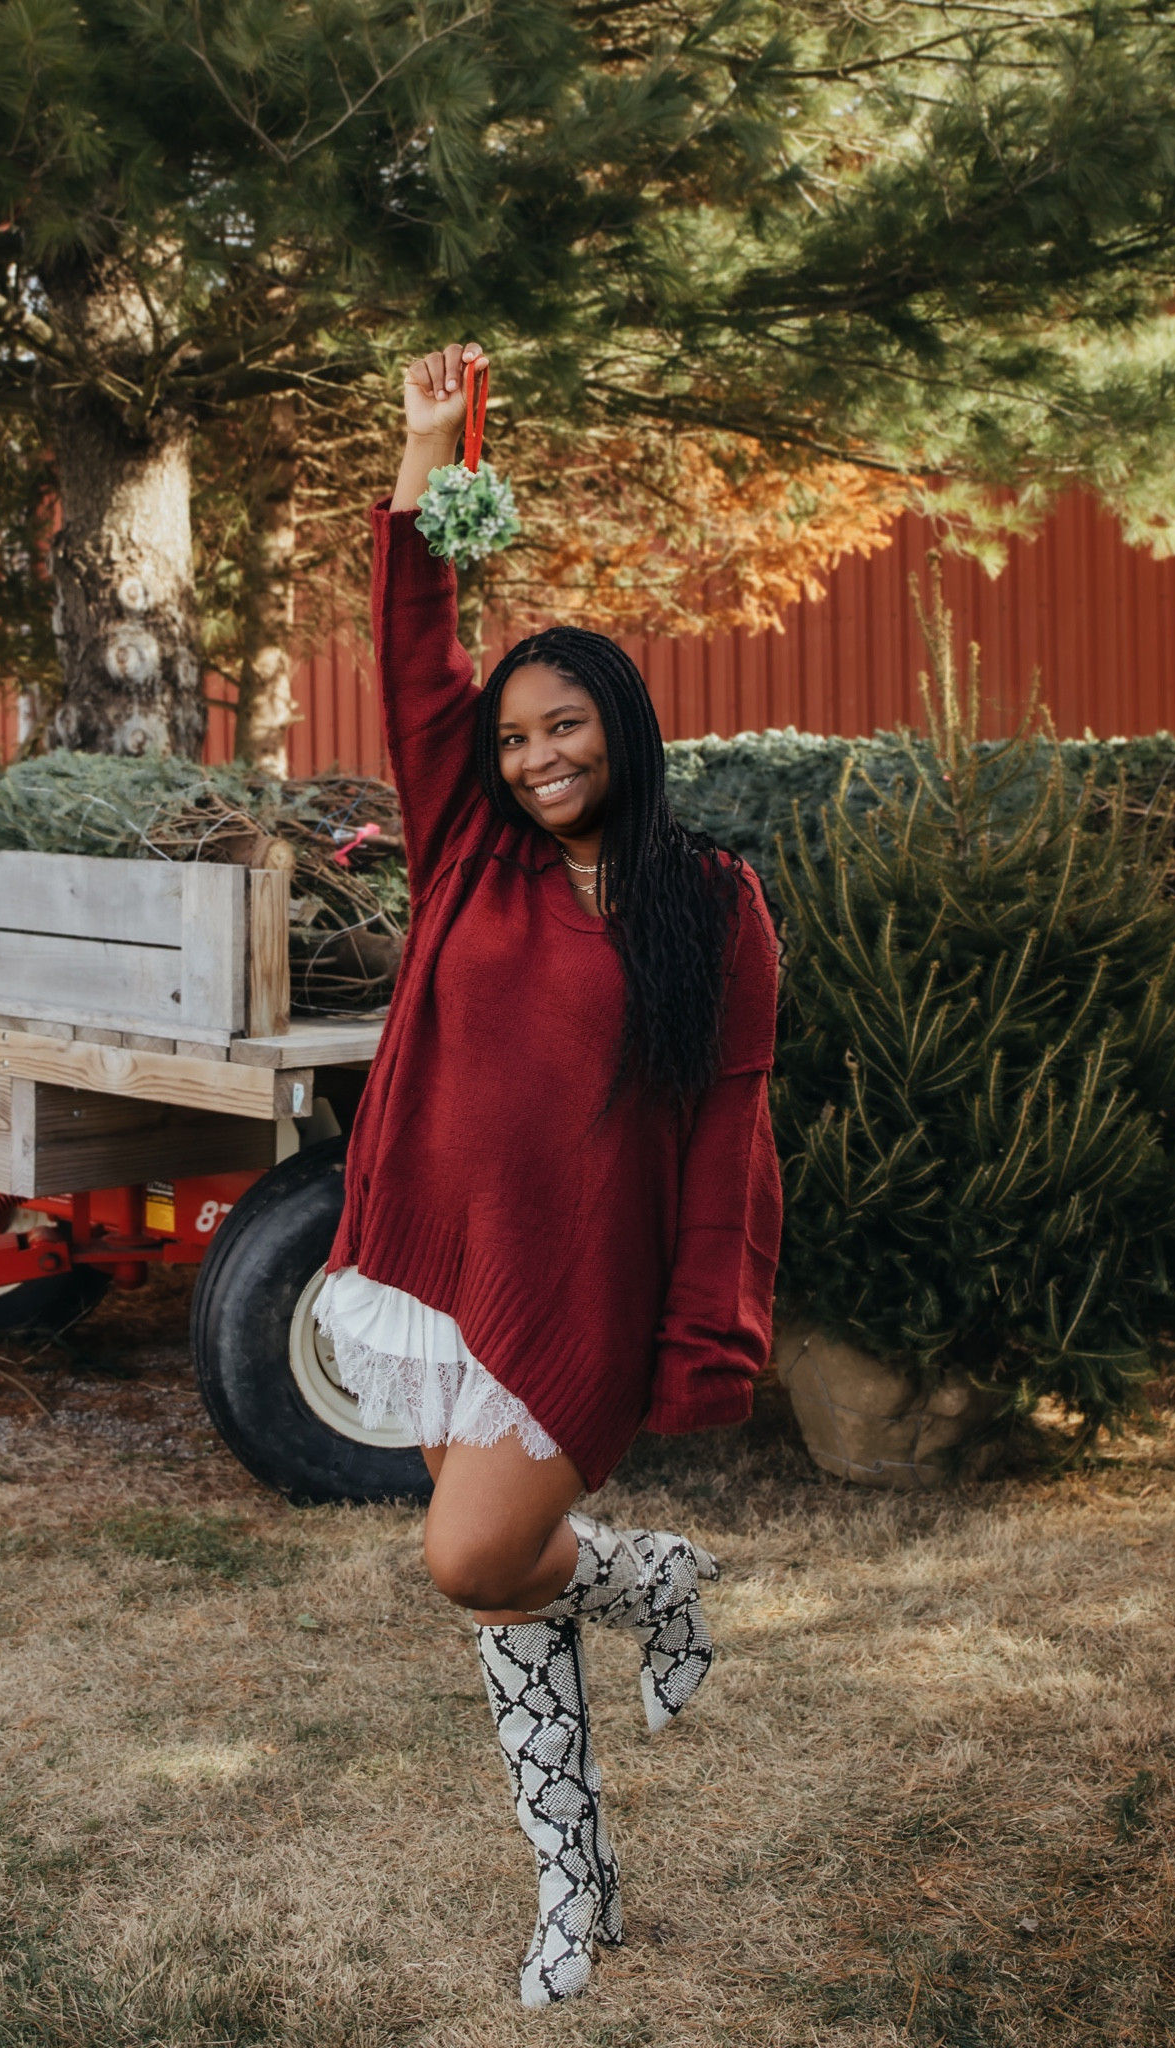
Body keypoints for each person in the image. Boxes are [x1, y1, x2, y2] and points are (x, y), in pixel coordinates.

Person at [313, 340, 783, 2005]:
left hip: (580, 1286)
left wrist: (708, 1332)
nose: (533, 759)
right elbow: (414, 652)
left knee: (472, 1555)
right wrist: (431, 450)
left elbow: (728, 1133)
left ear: (620, 730)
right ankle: (572, 1891)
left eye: (562, 727)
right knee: (499, 1595)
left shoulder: (712, 904)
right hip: (445, 1265)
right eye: (513, 738)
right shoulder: (471, 847)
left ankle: (653, 1575)